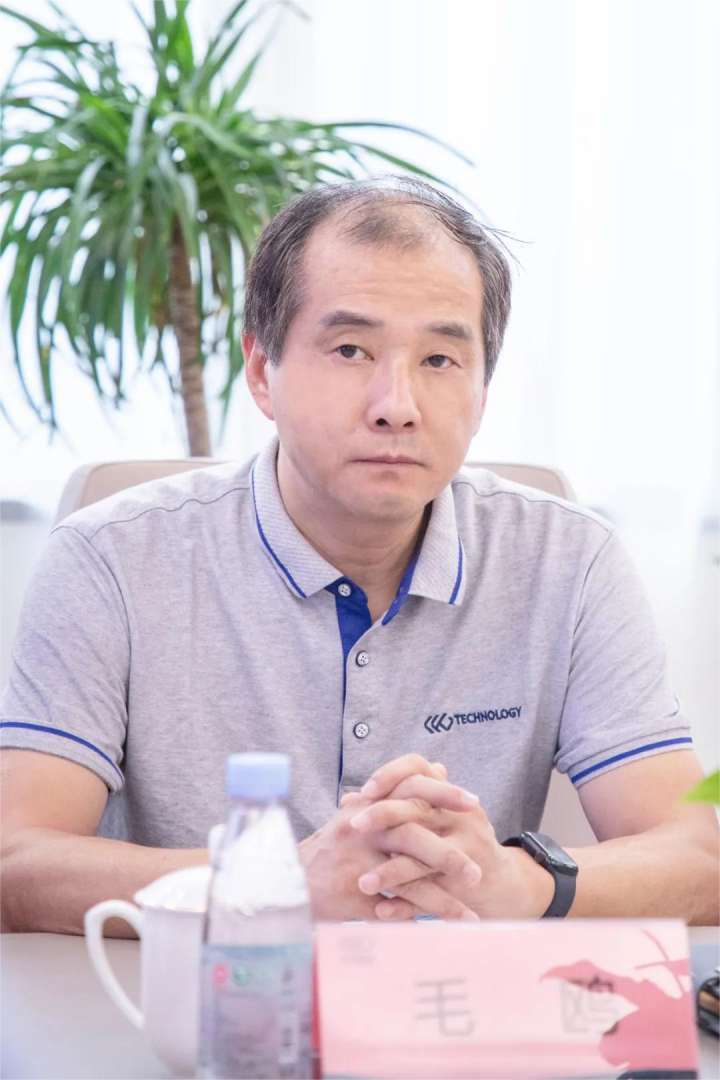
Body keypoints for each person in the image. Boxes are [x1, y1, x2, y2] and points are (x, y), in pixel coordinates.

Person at [1, 176, 718, 936]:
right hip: (197, 1001)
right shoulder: (110, 559)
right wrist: (276, 886)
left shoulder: (570, 561)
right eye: (350, 349)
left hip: (460, 1006)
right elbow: (17, 861)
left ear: (483, 390)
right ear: (261, 371)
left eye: (440, 359)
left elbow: (700, 859)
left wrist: (519, 881)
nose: (396, 406)